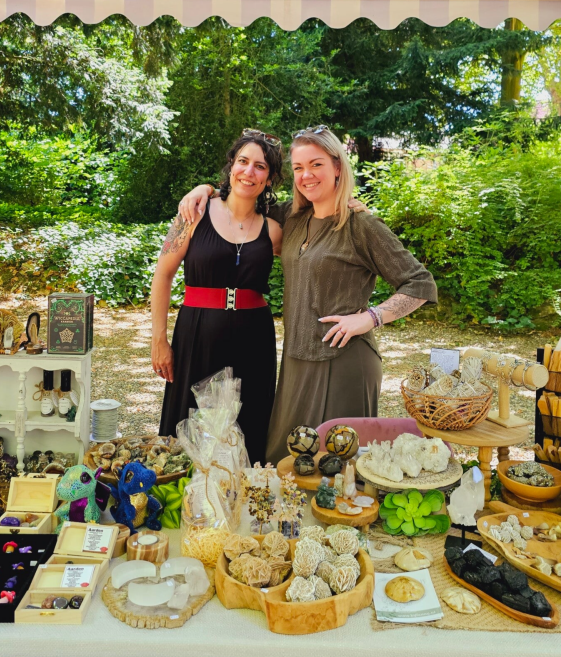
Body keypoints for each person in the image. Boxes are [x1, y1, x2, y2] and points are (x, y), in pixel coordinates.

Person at [179, 127, 437, 465]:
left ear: (337, 167)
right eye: (299, 167)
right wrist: (206, 189)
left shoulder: (361, 225)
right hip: (296, 360)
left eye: (316, 164)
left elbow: (419, 283)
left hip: (344, 360)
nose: (306, 175)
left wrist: (369, 318)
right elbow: (243, 193)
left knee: (336, 467)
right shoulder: (293, 218)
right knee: (280, 461)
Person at [151, 130, 283, 464]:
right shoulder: (194, 213)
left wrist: (350, 204)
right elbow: (163, 275)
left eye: (260, 167)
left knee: (248, 427)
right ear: (231, 165)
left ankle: (244, 495)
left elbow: (319, 228)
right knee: (189, 426)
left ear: (269, 179)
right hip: (197, 335)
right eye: (243, 161)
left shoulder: (274, 230)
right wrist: (159, 340)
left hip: (254, 341)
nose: (249, 172)